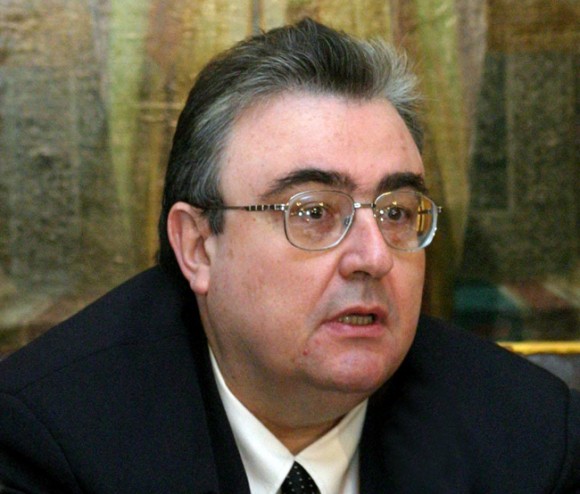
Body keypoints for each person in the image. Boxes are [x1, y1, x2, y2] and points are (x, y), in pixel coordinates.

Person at [0, 18, 578, 494]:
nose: (374, 256)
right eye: (313, 211)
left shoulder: (531, 435)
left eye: (398, 212)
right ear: (198, 246)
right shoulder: (47, 441)